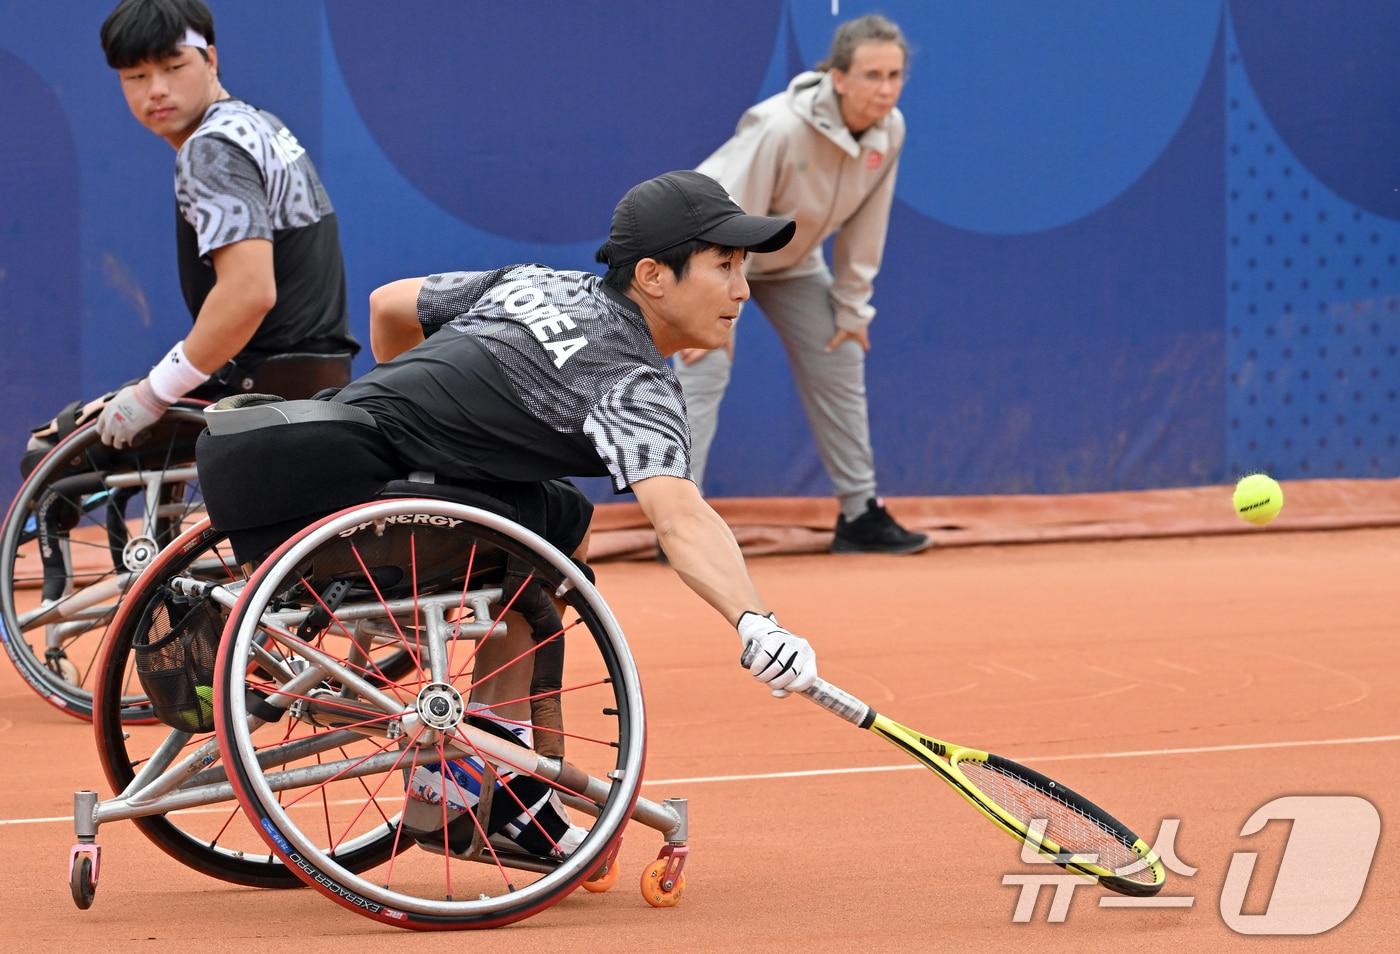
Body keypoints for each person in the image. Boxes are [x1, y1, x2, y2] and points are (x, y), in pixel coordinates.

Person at [196, 170, 819, 857]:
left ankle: (494, 776)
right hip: (368, 514)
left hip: (282, 460)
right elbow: (679, 519)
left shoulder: (535, 284)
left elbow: (390, 305)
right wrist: (754, 621)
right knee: (551, 530)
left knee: (554, 517)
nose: (743, 288)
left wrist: (414, 435)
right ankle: (495, 778)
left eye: (744, 267)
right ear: (653, 276)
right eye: (724, 266)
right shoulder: (633, 386)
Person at [24, 0, 358, 465]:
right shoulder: (260, 125)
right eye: (135, 77)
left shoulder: (211, 149)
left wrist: (154, 395)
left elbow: (248, 292)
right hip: (317, 376)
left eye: (173, 66)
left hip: (255, 388)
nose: (156, 90)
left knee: (50, 454)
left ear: (211, 60)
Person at [672, 14, 929, 555]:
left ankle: (860, 516)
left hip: (792, 259)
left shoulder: (892, 130)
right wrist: (715, 310)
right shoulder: (780, 127)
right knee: (704, 369)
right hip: (708, 251)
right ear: (838, 77)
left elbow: (867, 223)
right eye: (872, 75)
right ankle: (681, 526)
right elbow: (730, 218)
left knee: (840, 351)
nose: (885, 89)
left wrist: (853, 307)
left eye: (895, 75)